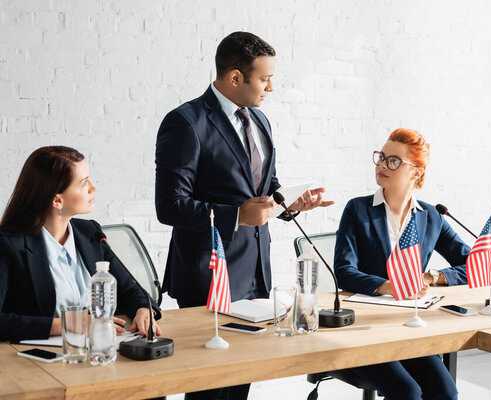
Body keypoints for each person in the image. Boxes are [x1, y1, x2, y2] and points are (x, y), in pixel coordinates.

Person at [155, 32, 331, 399]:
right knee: (209, 388)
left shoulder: (261, 121)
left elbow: (264, 189)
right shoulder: (185, 122)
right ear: (235, 77)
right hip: (209, 275)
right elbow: (169, 205)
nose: (271, 87)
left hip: (254, 273)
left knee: (240, 382)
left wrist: (290, 203)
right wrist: (235, 215)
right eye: (265, 78)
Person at [334, 128, 471, 400]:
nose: (383, 165)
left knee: (446, 392)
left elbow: (472, 263)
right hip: (365, 329)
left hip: (409, 326)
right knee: (407, 392)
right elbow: (343, 272)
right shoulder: (357, 210)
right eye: (381, 157)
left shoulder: (431, 216)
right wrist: (386, 286)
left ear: (416, 172)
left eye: (394, 161)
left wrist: (431, 277)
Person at [0, 146, 161, 342]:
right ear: (57, 200)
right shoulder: (8, 243)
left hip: (97, 350)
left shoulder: (90, 232)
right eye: (84, 183)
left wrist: (144, 310)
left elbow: (131, 289)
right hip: (34, 361)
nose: (94, 188)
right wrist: (73, 323)